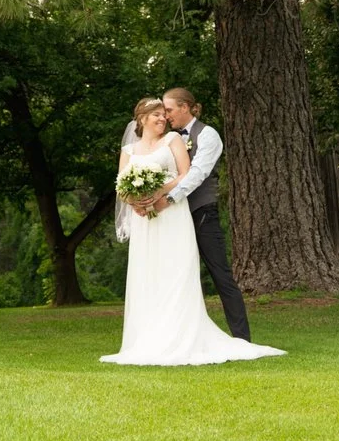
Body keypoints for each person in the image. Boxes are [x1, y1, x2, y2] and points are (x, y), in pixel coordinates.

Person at [101, 97, 283, 367]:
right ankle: (150, 339)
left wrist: (158, 192)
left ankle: (183, 337)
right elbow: (121, 185)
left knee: (177, 272)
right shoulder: (129, 149)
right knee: (148, 275)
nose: (163, 118)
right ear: (142, 119)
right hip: (144, 221)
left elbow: (186, 174)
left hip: (172, 214)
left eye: (164, 114)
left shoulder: (173, 139)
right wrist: (136, 201)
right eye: (157, 114)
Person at [160, 86, 251, 341]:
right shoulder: (168, 138)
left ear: (185, 107)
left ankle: (242, 338)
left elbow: (198, 173)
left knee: (221, 275)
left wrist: (169, 198)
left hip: (202, 214)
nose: (165, 116)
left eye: (169, 110)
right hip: (174, 217)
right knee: (178, 278)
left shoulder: (208, 135)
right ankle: (180, 339)